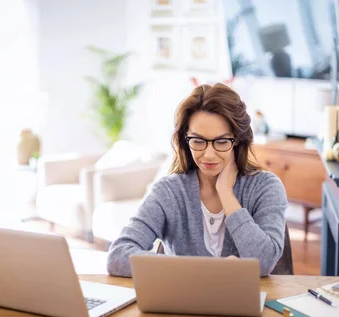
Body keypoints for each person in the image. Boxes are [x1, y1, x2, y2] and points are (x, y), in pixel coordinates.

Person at [107, 83, 287, 278]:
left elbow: (264, 262)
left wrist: (226, 193)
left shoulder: (266, 187)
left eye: (221, 141)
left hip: (243, 306)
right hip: (181, 305)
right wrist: (201, 269)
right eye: (198, 141)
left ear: (238, 141)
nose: (208, 155)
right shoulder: (168, 192)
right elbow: (117, 256)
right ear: (186, 140)